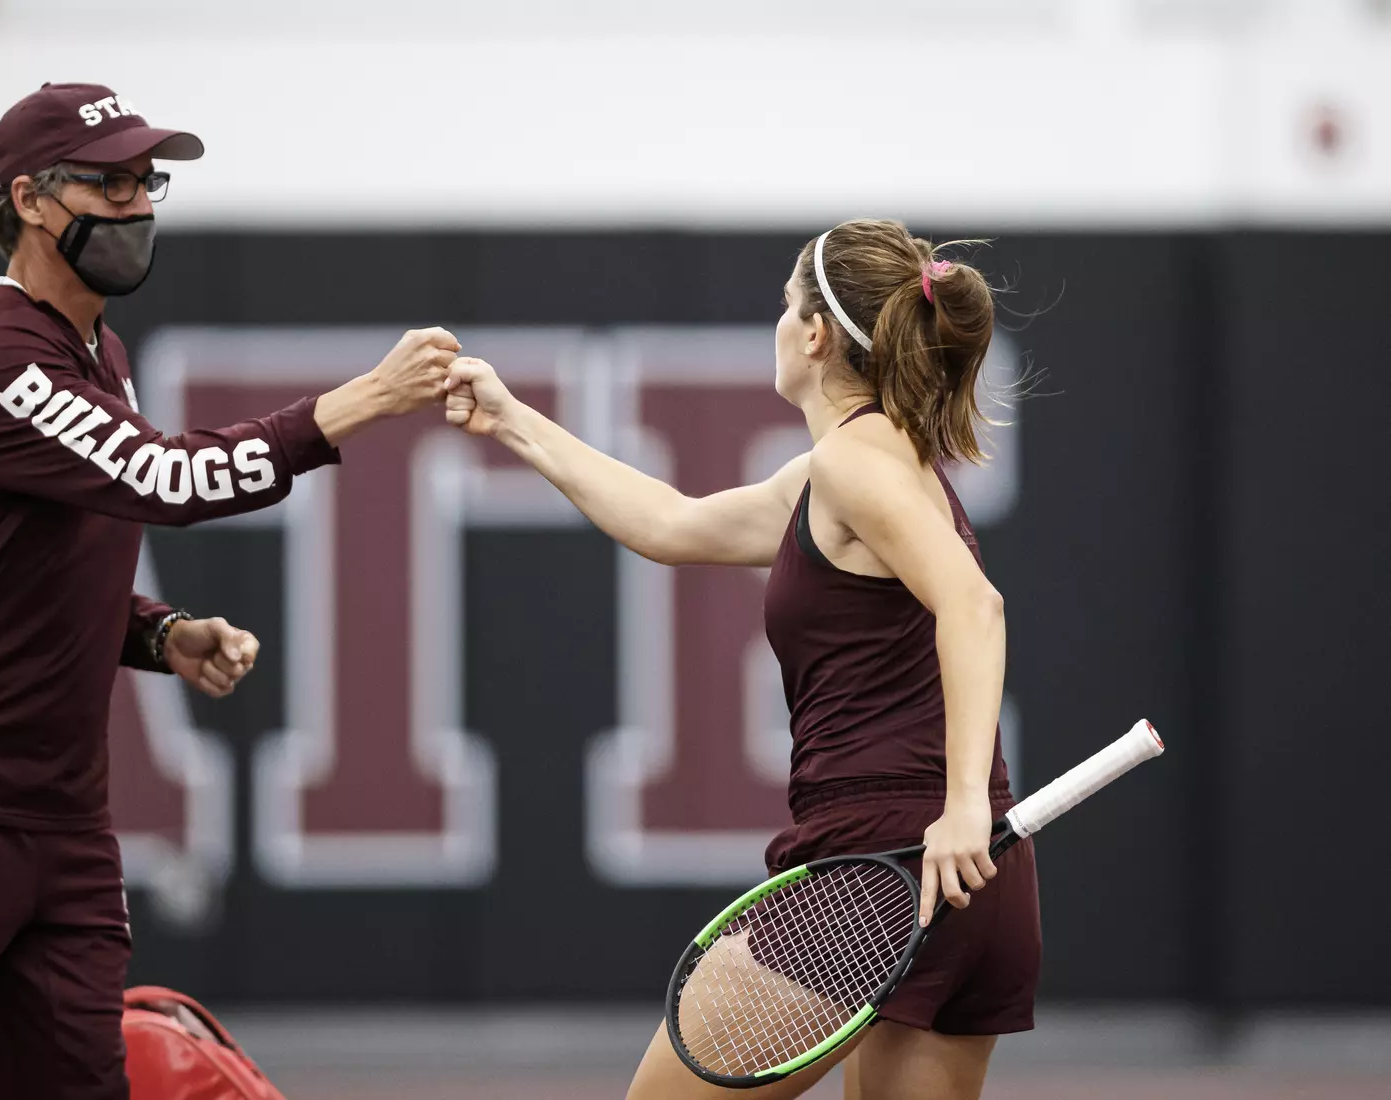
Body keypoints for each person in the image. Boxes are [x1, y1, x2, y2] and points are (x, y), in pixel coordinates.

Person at [0, 82, 460, 1100]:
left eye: (146, 181)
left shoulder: (100, 351)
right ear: (28, 198)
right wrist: (365, 397)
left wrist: (159, 634)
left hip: (59, 819)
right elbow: (166, 478)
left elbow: (30, 566)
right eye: (106, 183)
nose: (136, 205)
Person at [443, 218, 1038, 1100]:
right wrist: (513, 420)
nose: (777, 321)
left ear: (815, 334)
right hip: (975, 876)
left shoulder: (852, 463)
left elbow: (975, 606)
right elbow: (672, 525)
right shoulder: (848, 474)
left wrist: (954, 810)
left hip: (879, 867)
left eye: (783, 303)